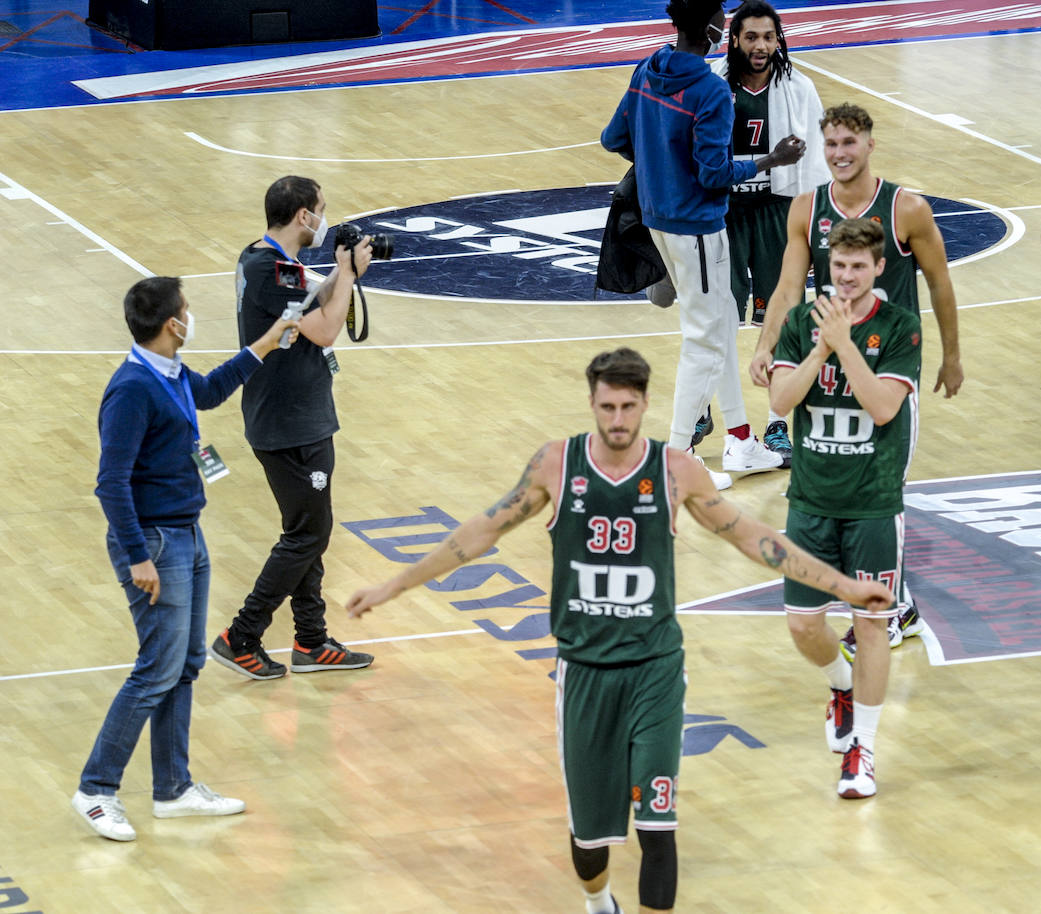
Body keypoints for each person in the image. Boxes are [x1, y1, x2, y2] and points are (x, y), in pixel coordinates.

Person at [344, 348, 894, 914]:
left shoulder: (677, 470)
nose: (617, 419)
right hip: (584, 674)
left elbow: (754, 537)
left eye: (628, 407)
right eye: (607, 406)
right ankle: (598, 901)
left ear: (645, 405)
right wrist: (396, 585)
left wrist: (845, 588)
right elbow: (479, 533)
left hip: (655, 671)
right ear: (591, 404)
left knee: (658, 828)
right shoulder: (556, 466)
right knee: (590, 846)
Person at [74, 276, 298, 841]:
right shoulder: (132, 389)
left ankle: (172, 788)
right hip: (153, 545)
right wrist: (136, 558)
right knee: (155, 669)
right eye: (187, 310)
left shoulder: (169, 375)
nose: (191, 317)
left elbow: (211, 391)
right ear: (173, 325)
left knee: (185, 664)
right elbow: (110, 483)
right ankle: (96, 790)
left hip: (186, 537)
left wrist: (266, 342)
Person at [748, 101, 963, 654]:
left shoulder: (906, 208)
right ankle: (902, 602)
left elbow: (939, 283)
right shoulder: (805, 208)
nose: (840, 154)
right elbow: (788, 289)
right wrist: (766, 345)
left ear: (870, 145)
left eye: (850, 143)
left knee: (883, 489)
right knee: (846, 485)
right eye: (832, 145)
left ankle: (886, 612)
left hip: (884, 362)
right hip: (828, 359)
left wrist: (952, 355)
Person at [601, 0, 805, 489]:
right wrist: (768, 161)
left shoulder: (647, 68)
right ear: (714, 28)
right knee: (704, 339)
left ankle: (740, 440)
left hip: (657, 219)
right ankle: (676, 457)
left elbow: (614, 138)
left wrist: (659, 161)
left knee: (720, 319)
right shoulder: (712, 90)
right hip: (697, 226)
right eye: (722, 16)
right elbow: (715, 174)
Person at [768, 218, 922, 797]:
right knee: (804, 624)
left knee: (873, 627)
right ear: (827, 268)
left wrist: (846, 346)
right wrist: (820, 350)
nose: (849, 276)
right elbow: (781, 402)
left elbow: (884, 408)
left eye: (859, 266)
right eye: (839, 266)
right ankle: (840, 686)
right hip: (810, 501)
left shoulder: (901, 327)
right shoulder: (798, 324)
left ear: (880, 268)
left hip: (874, 505)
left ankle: (864, 749)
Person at [212, 175, 376, 680]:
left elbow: (309, 301)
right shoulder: (272, 272)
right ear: (304, 215)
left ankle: (310, 641)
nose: (325, 218)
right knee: (309, 533)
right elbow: (326, 328)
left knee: (307, 529)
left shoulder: (263, 258)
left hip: (294, 416)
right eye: (321, 209)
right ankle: (240, 635)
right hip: (290, 423)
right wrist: (346, 276)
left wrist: (343, 272)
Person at [696, 0, 829, 468]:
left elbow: (816, 165)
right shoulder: (711, 82)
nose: (760, 46)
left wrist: (812, 227)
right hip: (724, 213)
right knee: (716, 319)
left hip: (778, 214)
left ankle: (776, 423)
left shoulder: (799, 87)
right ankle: (705, 409)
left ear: (778, 39)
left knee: (784, 324)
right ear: (734, 40)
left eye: (767, 37)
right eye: (750, 37)